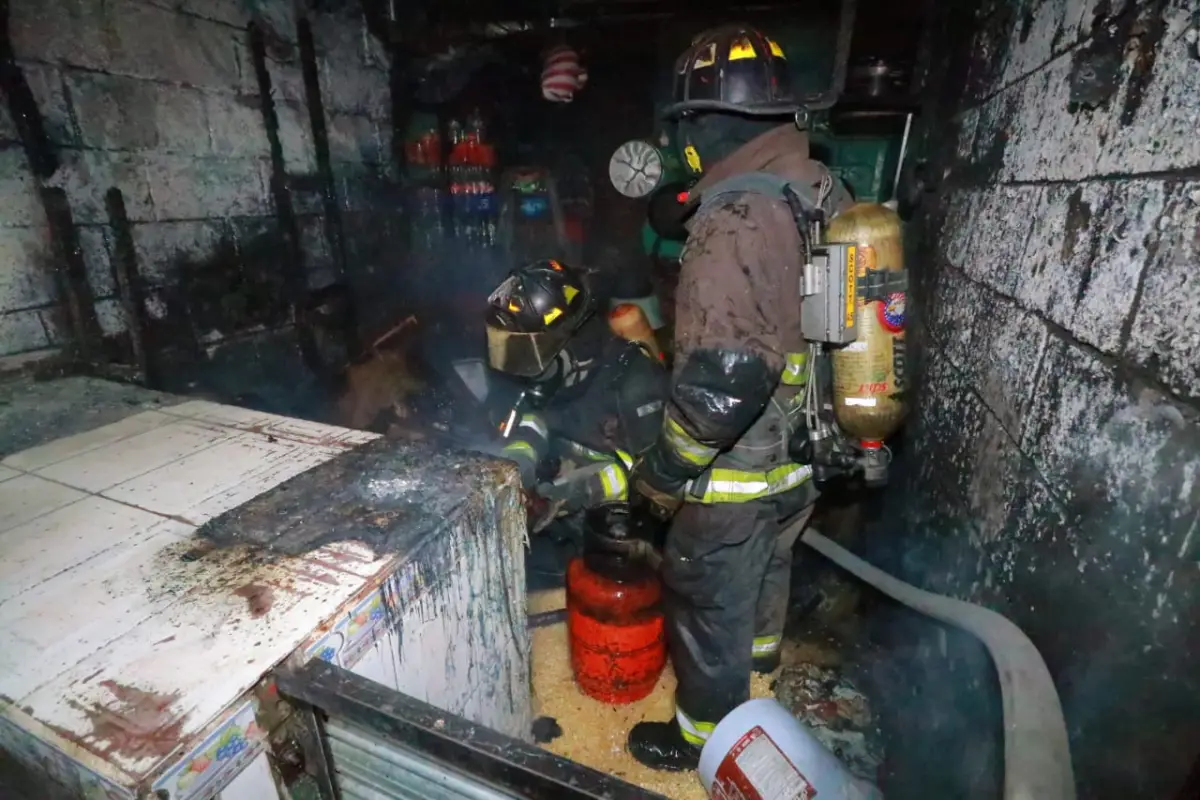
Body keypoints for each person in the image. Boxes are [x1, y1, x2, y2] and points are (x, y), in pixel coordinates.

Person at [624, 24, 854, 771]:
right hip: (803, 455)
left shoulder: (733, 219)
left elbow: (722, 385)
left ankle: (705, 743)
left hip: (738, 472)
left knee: (706, 600)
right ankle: (762, 682)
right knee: (769, 574)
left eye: (684, 127)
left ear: (701, 126)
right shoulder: (817, 186)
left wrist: (660, 474)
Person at [485, 258, 669, 529]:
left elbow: (652, 484)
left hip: (617, 527)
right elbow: (535, 421)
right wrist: (517, 469)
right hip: (562, 510)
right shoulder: (554, 374)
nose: (523, 369)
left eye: (525, 352)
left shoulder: (634, 385)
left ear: (568, 341)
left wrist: (566, 495)